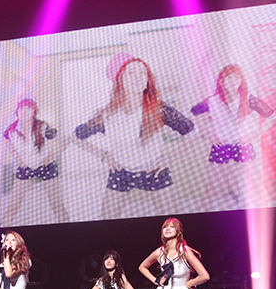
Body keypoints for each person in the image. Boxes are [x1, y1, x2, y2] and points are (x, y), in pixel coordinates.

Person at [75, 53, 194, 219]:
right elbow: (77, 136)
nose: (138, 77)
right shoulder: (108, 114)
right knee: (107, 223)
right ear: (120, 79)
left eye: (142, 73)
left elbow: (191, 131)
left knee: (172, 225)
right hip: (121, 172)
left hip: (154, 171)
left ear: (147, 80)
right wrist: (104, 156)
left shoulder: (159, 108)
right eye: (131, 72)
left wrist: (169, 158)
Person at [191, 64, 276, 209]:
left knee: (255, 184)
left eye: (236, 79)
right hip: (222, 146)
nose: (232, 82)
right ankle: (203, 213)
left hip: (242, 146)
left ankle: (270, 210)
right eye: (228, 79)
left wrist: (252, 135)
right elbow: (193, 114)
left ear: (240, 81)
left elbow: (272, 117)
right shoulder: (212, 101)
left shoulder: (248, 99)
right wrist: (209, 134)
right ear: (221, 81)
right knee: (212, 187)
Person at [2, 99, 69, 226]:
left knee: (57, 205)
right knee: (12, 206)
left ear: (34, 112)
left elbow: (64, 139)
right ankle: (0, 234)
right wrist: (17, 158)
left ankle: (69, 232)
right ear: (17, 111)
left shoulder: (42, 127)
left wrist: (52, 157)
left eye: (29, 109)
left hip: (46, 167)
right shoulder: (11, 130)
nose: (24, 112)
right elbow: (10, 148)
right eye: (22, 108)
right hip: (26, 168)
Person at [138, 218, 212, 289]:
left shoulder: (185, 251)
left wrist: (189, 284)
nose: (168, 229)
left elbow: (204, 276)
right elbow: (142, 267)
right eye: (165, 227)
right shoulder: (159, 252)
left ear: (178, 232)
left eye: (172, 227)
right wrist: (156, 281)